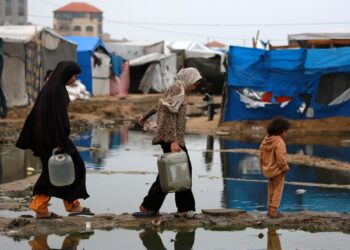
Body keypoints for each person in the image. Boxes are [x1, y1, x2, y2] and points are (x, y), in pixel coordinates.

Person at [16, 61, 93, 219]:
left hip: (48, 137)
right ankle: (42, 207)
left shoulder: (53, 87)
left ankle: (69, 205)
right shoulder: (56, 90)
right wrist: (59, 143)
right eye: (74, 76)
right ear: (66, 74)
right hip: (52, 138)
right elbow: (54, 120)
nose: (75, 79)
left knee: (61, 170)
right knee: (67, 168)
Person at [133, 67, 202, 218]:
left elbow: (161, 105)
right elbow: (170, 114)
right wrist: (173, 141)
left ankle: (151, 206)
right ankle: (181, 209)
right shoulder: (177, 88)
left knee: (172, 173)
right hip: (171, 138)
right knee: (180, 171)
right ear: (188, 78)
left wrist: (145, 115)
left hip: (173, 138)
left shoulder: (179, 89)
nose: (195, 86)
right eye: (195, 82)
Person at [259, 117, 290, 218]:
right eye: (286, 131)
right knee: (278, 190)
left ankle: (269, 209)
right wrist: (285, 168)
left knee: (271, 189)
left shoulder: (265, 140)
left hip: (268, 170)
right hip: (278, 171)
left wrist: (263, 166)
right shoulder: (279, 142)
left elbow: (260, 155)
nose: (286, 134)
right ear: (281, 131)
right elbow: (281, 158)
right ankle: (273, 211)